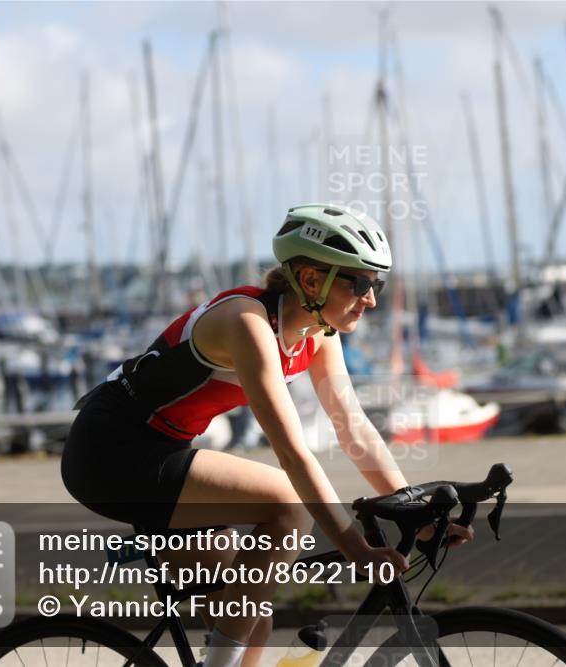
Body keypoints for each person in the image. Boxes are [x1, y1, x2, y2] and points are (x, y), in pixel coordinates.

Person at [61, 203, 472, 667]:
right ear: (312, 281)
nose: (371, 298)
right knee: (287, 506)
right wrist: (356, 548)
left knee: (250, 620)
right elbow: (293, 453)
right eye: (358, 283)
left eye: (375, 284)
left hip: (162, 452)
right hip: (112, 452)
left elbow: (351, 425)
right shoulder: (247, 322)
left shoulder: (318, 333)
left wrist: (412, 507)